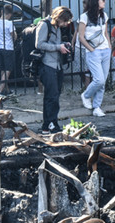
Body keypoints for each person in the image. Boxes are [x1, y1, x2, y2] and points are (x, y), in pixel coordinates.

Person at [36, 6, 74, 134]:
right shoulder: (45, 25)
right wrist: (58, 47)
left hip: (56, 65)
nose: (65, 24)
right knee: (51, 96)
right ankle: (50, 123)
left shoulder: (56, 27)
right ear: (59, 18)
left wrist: (64, 45)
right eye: (64, 21)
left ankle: (49, 124)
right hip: (47, 65)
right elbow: (39, 44)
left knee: (54, 96)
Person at [79, 0, 112, 116]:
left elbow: (106, 33)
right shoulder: (84, 17)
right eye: (102, 0)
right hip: (93, 52)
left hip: (105, 50)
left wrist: (109, 47)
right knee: (99, 80)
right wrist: (91, 49)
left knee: (102, 82)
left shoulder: (104, 15)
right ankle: (86, 95)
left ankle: (97, 107)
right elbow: (81, 37)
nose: (104, 2)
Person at [0, 5, 17, 96]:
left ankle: (6, 90)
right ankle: (0, 90)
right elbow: (13, 35)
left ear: (1, 12)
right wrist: (14, 37)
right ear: (10, 14)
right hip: (8, 48)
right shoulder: (9, 23)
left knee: (3, 69)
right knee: (8, 69)